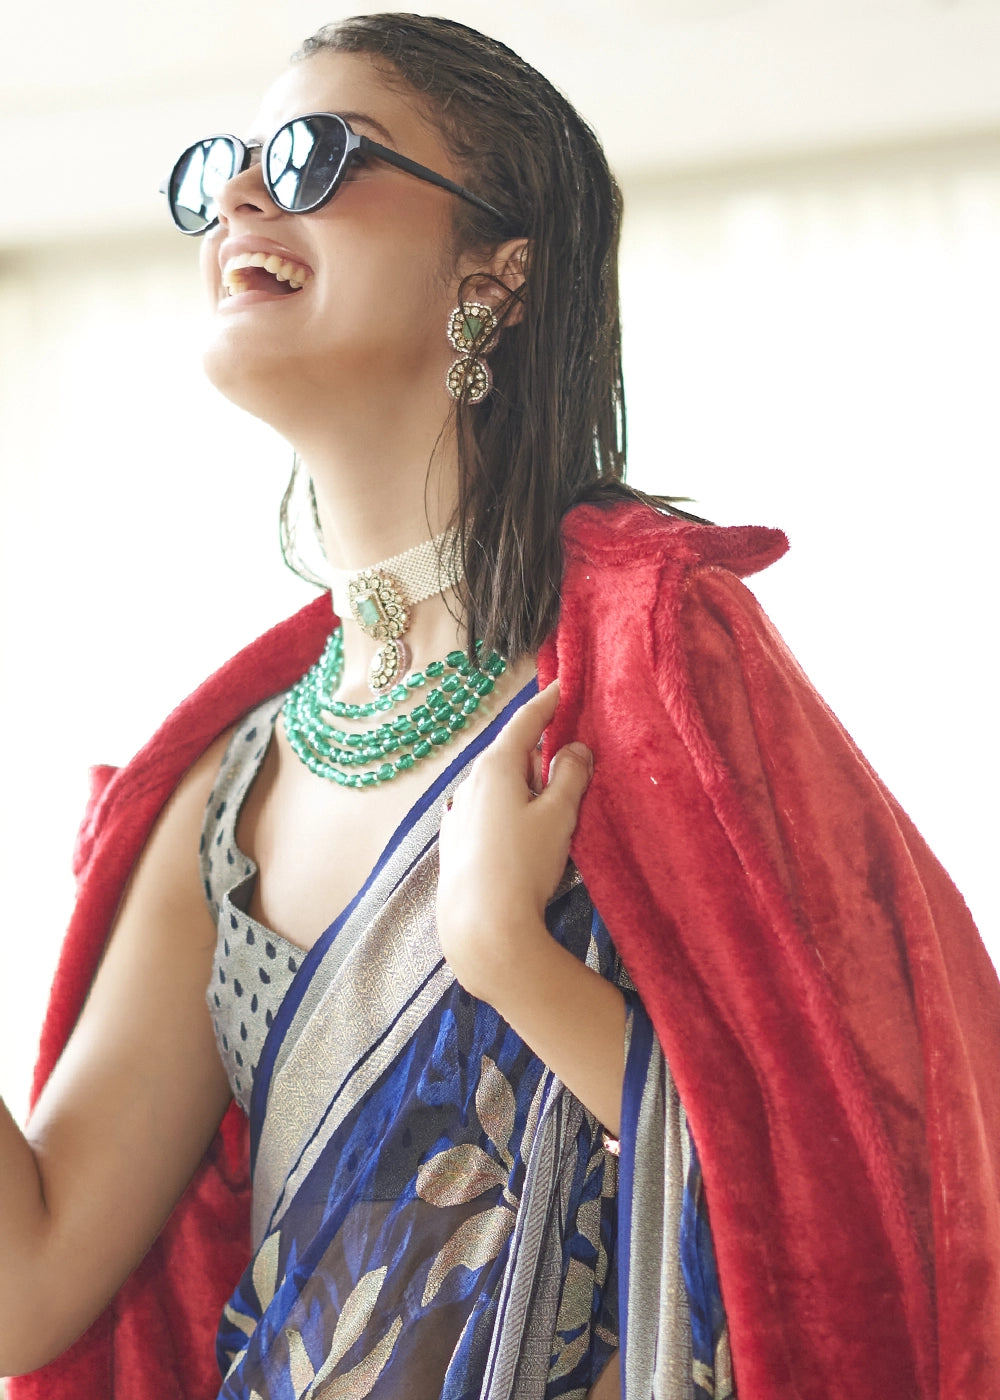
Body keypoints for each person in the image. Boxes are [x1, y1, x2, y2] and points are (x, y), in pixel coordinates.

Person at [2, 12, 998, 1400]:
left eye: (311, 157)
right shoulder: (223, 788)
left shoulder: (654, 666)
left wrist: (505, 957)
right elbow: (28, 1283)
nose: (237, 196)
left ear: (497, 274)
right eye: (223, 166)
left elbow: (864, 1210)